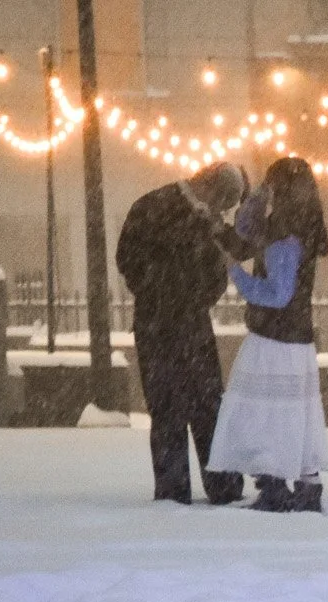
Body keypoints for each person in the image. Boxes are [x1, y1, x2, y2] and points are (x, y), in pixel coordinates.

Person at [113, 161, 247, 505]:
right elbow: (215, 273)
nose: (223, 212)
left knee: (170, 407)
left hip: (158, 323)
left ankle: (175, 489)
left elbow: (128, 259)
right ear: (214, 190)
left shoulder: (150, 205)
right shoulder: (192, 220)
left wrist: (156, 290)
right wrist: (188, 294)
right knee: (203, 405)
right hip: (184, 322)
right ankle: (222, 484)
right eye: (225, 203)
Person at [209, 157, 328, 513]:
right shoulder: (305, 225)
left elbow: (277, 294)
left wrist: (237, 274)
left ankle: (274, 485)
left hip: (273, 338)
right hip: (297, 339)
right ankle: (306, 483)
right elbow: (247, 230)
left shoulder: (283, 233)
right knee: (298, 414)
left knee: (267, 414)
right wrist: (258, 196)